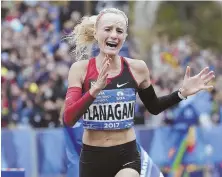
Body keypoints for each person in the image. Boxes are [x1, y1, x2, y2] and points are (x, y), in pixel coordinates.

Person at [63, 8, 215, 177]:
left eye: (119, 31)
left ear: (124, 37)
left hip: (126, 155)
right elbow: (69, 118)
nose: (114, 35)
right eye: (108, 29)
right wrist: (94, 90)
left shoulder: (137, 68)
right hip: (92, 158)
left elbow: (154, 107)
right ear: (96, 33)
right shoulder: (80, 70)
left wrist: (182, 93)